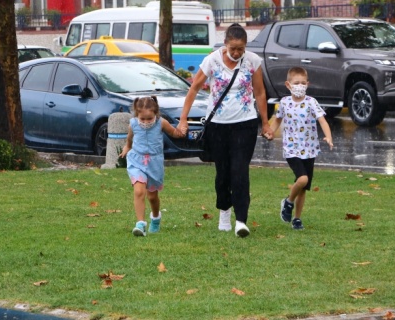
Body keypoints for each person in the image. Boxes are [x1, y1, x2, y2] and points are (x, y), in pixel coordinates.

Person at [178, 23, 273, 238]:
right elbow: (194, 88)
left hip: (245, 123)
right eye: (233, 48)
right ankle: (224, 211)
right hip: (217, 125)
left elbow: (259, 93)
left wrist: (265, 123)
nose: (237, 52)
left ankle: (241, 220)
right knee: (223, 173)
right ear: (225, 44)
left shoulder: (252, 61)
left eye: (241, 48)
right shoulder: (212, 61)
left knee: (240, 171)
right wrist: (183, 119)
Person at [269, 67, 334, 230]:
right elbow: (277, 120)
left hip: (310, 149)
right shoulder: (284, 102)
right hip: (291, 149)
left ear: (308, 84)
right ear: (288, 84)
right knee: (302, 179)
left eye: (303, 83)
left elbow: (322, 120)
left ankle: (297, 219)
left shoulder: (311, 102)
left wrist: (328, 136)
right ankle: (288, 202)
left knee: (303, 187)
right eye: (296, 83)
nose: (300, 86)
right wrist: (270, 132)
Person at [119, 96, 183, 237]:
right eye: (143, 119)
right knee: (139, 191)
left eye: (149, 119)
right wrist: (127, 147)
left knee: (152, 197)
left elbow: (174, 133)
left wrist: (181, 131)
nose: (146, 122)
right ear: (137, 115)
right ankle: (140, 224)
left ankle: (155, 218)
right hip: (136, 160)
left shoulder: (161, 123)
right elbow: (130, 138)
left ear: (156, 113)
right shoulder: (133, 124)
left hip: (154, 163)